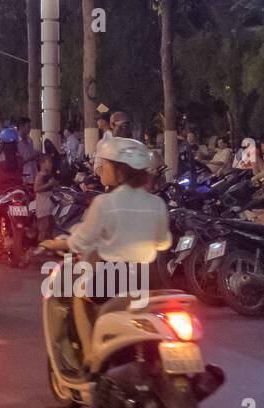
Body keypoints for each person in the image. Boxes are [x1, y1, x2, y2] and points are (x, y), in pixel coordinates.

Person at [43, 136, 170, 372]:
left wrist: (56, 244)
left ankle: (91, 356)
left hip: (114, 278)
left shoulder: (104, 202)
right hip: (149, 280)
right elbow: (163, 243)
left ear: (120, 170)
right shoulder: (157, 203)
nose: (101, 168)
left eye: (106, 164)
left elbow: (81, 241)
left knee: (79, 297)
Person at [33, 151, 56, 243]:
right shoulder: (40, 175)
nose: (50, 165)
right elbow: (36, 189)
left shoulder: (49, 175)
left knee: (50, 223)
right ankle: (41, 245)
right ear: (42, 164)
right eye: (47, 162)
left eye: (51, 162)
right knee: (44, 224)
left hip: (50, 199)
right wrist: (49, 184)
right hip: (43, 200)